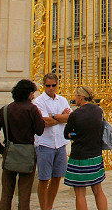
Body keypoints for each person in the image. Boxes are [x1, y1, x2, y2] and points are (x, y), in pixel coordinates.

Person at [0, 79, 46, 210]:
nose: (34, 96)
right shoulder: (32, 109)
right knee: (24, 196)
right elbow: (40, 130)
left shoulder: (5, 109)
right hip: (27, 153)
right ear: (28, 94)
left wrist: (2, 150)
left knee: (6, 195)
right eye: (33, 93)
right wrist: (39, 117)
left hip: (10, 152)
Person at [63, 86, 108, 209]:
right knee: (98, 190)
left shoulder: (75, 114)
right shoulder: (98, 111)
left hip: (80, 156)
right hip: (95, 154)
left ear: (81, 97)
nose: (74, 98)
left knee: (80, 193)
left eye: (76, 96)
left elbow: (66, 133)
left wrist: (73, 134)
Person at [33, 73, 72, 210]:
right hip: (45, 143)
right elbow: (44, 121)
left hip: (60, 143)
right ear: (43, 86)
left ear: (57, 85)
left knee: (57, 177)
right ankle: (44, 207)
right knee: (43, 179)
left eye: (53, 85)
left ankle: (49, 206)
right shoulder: (39, 101)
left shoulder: (62, 100)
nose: (50, 88)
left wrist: (54, 116)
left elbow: (70, 118)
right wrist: (61, 116)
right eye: (48, 85)